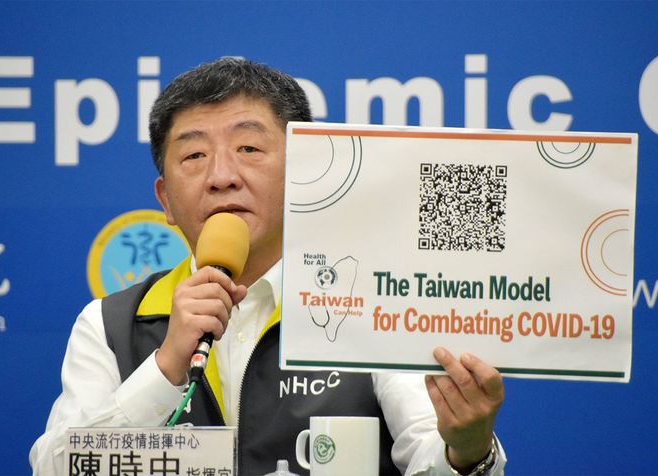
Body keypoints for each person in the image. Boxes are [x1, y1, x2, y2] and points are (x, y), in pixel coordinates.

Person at [30, 57, 506, 475]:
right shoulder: (111, 324)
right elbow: (53, 468)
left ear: (304, 173)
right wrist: (165, 367)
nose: (221, 177)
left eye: (249, 149)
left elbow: (431, 456)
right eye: (194, 155)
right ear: (166, 200)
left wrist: (466, 450)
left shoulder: (373, 307)